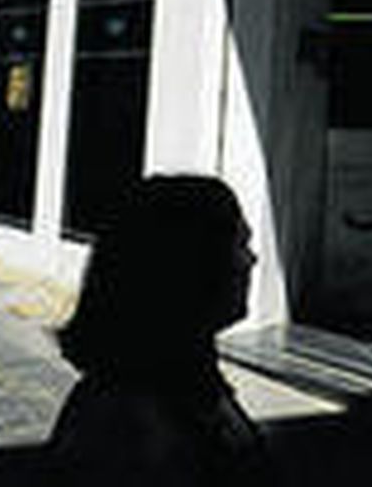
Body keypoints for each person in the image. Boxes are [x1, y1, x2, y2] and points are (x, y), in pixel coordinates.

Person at [47, 174, 280, 487]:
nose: (251, 259)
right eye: (239, 243)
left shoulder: (189, 382)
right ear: (191, 266)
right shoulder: (129, 425)